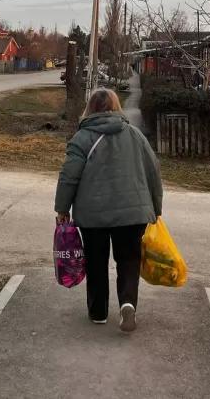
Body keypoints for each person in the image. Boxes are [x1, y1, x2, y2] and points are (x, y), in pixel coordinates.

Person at [54, 88, 163, 332]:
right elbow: (153, 172)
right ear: (116, 107)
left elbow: (69, 176)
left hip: (93, 215)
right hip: (133, 213)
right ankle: (127, 304)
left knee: (95, 261)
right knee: (128, 260)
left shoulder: (81, 139)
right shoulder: (135, 135)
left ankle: (98, 312)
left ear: (90, 109)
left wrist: (62, 208)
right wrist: (156, 207)